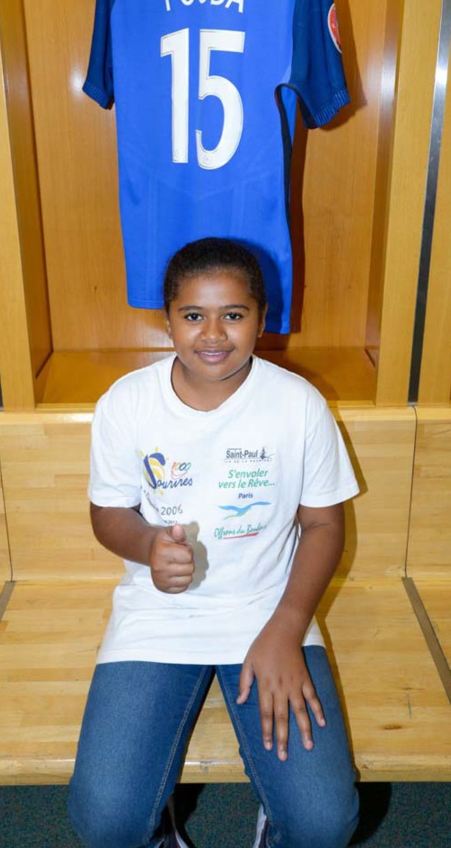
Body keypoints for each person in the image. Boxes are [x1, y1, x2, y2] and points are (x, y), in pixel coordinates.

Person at [68, 237, 360, 848]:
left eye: (233, 314)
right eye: (193, 315)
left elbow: (324, 525)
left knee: (322, 824)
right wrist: (148, 545)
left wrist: (286, 628)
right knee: (106, 822)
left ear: (262, 318)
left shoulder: (298, 404)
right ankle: (160, 823)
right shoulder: (127, 402)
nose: (213, 334)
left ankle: (275, 820)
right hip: (159, 614)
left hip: (270, 610)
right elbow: (107, 512)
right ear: (167, 320)